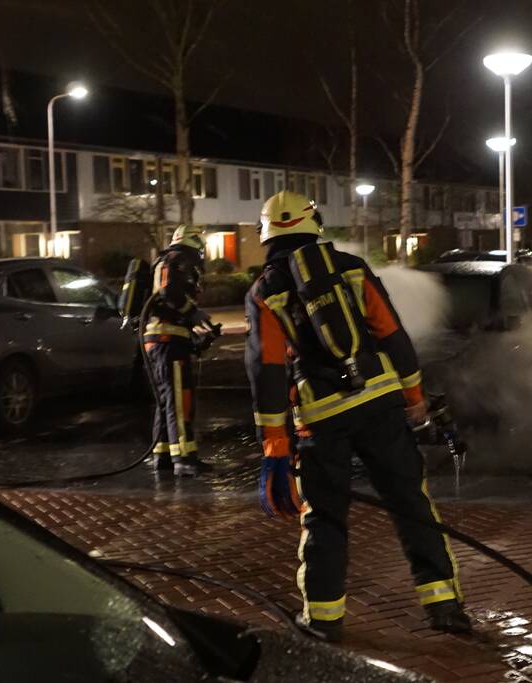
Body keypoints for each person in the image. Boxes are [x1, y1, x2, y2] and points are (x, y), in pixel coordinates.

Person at [245, 191, 469, 642]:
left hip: (320, 419)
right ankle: (444, 605)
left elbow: (266, 372)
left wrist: (275, 447)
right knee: (411, 503)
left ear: (266, 234)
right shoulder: (349, 267)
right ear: (313, 225)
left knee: (324, 518)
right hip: (380, 401)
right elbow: (392, 335)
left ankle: (324, 620)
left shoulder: (264, 292)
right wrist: (414, 397)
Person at [145, 224, 215, 477]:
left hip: (161, 339)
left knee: (166, 400)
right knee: (179, 400)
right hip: (168, 340)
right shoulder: (180, 258)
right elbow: (169, 292)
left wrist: (193, 334)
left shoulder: (166, 259)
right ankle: (184, 458)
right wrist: (193, 312)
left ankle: (163, 455)